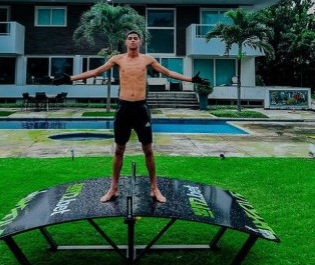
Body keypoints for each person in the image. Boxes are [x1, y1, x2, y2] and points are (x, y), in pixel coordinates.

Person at [54, 31, 209, 203]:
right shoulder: (118, 59)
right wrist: (71, 78)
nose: (133, 40)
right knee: (119, 150)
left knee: (148, 150)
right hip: (124, 108)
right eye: (130, 38)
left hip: (141, 108)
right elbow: (96, 72)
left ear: (140, 42)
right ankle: (113, 189)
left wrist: (191, 79)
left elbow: (168, 73)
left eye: (135, 38)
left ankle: (154, 189)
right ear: (126, 42)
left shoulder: (147, 59)